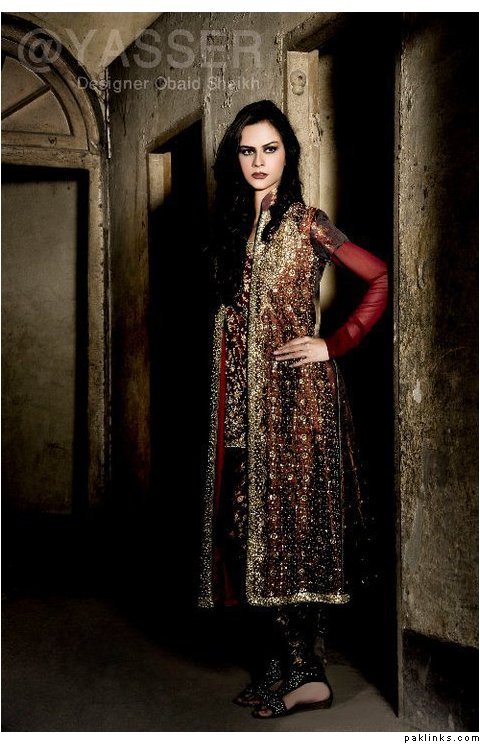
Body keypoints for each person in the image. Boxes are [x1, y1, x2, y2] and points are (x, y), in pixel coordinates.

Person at [196, 99, 388, 719]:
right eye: (247, 150)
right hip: (241, 405)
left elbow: (379, 277)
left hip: (297, 404)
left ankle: (308, 674)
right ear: (235, 158)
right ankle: (279, 665)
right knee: (241, 529)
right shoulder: (232, 227)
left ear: (288, 155)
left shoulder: (308, 223)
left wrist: (334, 343)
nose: (258, 161)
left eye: (270, 149)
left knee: (291, 531)